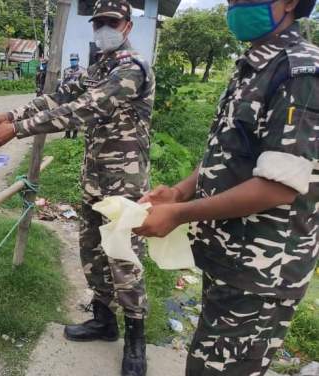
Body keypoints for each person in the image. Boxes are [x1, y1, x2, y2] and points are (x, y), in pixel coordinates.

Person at [134, 0, 319, 375]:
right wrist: (180, 192)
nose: (235, 3)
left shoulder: (302, 72)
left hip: (262, 273)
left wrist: (179, 214)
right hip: (232, 259)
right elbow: (231, 151)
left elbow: (278, 186)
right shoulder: (255, 65)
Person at [0, 1, 155, 375]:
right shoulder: (98, 68)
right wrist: (12, 114)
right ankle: (104, 321)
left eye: (111, 22)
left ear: (127, 26)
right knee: (92, 253)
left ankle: (136, 340)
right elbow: (60, 97)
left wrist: (18, 129)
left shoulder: (131, 69)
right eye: (99, 23)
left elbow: (85, 109)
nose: (104, 28)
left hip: (124, 184)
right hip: (95, 179)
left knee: (123, 258)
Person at [62, 53, 86, 139]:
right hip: (67, 96)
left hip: (77, 96)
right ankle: (67, 134)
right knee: (66, 115)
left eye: (75, 60)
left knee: (76, 116)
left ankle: (75, 134)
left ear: (78, 60)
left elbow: (84, 85)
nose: (73, 61)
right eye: (72, 60)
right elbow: (63, 83)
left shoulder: (83, 71)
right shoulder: (66, 70)